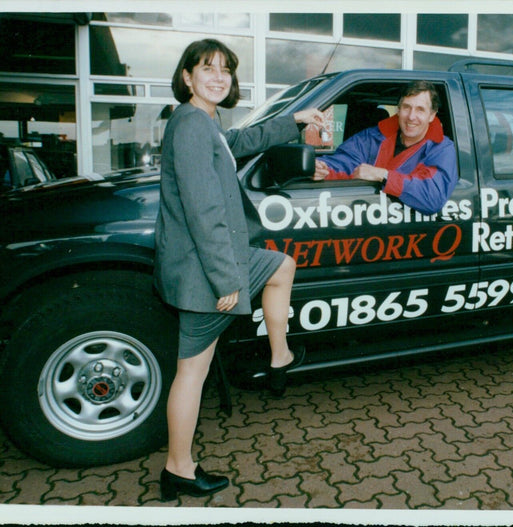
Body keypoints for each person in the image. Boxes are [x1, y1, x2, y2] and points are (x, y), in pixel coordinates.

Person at [153, 39, 325, 502]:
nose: (219, 76)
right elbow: (203, 209)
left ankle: (279, 357)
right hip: (204, 269)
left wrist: (294, 121)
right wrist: (225, 279)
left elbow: (241, 142)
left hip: (214, 258)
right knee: (192, 371)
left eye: (226, 69)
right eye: (207, 68)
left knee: (281, 265)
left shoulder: (206, 120)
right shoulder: (189, 124)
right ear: (187, 76)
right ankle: (179, 469)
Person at [313, 81, 458, 215]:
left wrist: (383, 175)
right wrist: (321, 168)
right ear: (399, 110)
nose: (411, 117)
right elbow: (345, 161)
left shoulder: (441, 149)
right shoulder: (372, 137)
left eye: (420, 110)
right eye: (407, 107)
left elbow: (432, 198)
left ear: (432, 115)